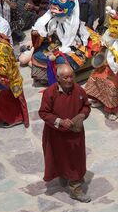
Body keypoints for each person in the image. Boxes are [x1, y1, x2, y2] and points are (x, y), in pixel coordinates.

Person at [38, 64, 92, 203]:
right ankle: (63, 174)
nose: (69, 80)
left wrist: (81, 116)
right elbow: (43, 112)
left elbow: (86, 106)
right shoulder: (50, 93)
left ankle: (75, 189)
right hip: (55, 134)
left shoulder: (79, 90)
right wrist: (60, 121)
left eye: (71, 76)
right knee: (59, 157)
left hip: (75, 134)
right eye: (65, 77)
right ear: (58, 78)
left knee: (75, 160)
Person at [30, 0, 99, 86]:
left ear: (71, 5)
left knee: (63, 60)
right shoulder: (50, 19)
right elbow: (45, 36)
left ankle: (65, 79)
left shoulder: (75, 22)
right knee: (37, 55)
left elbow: (80, 40)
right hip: (57, 44)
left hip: (74, 46)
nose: (54, 3)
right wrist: (37, 34)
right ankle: (48, 78)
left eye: (61, 0)